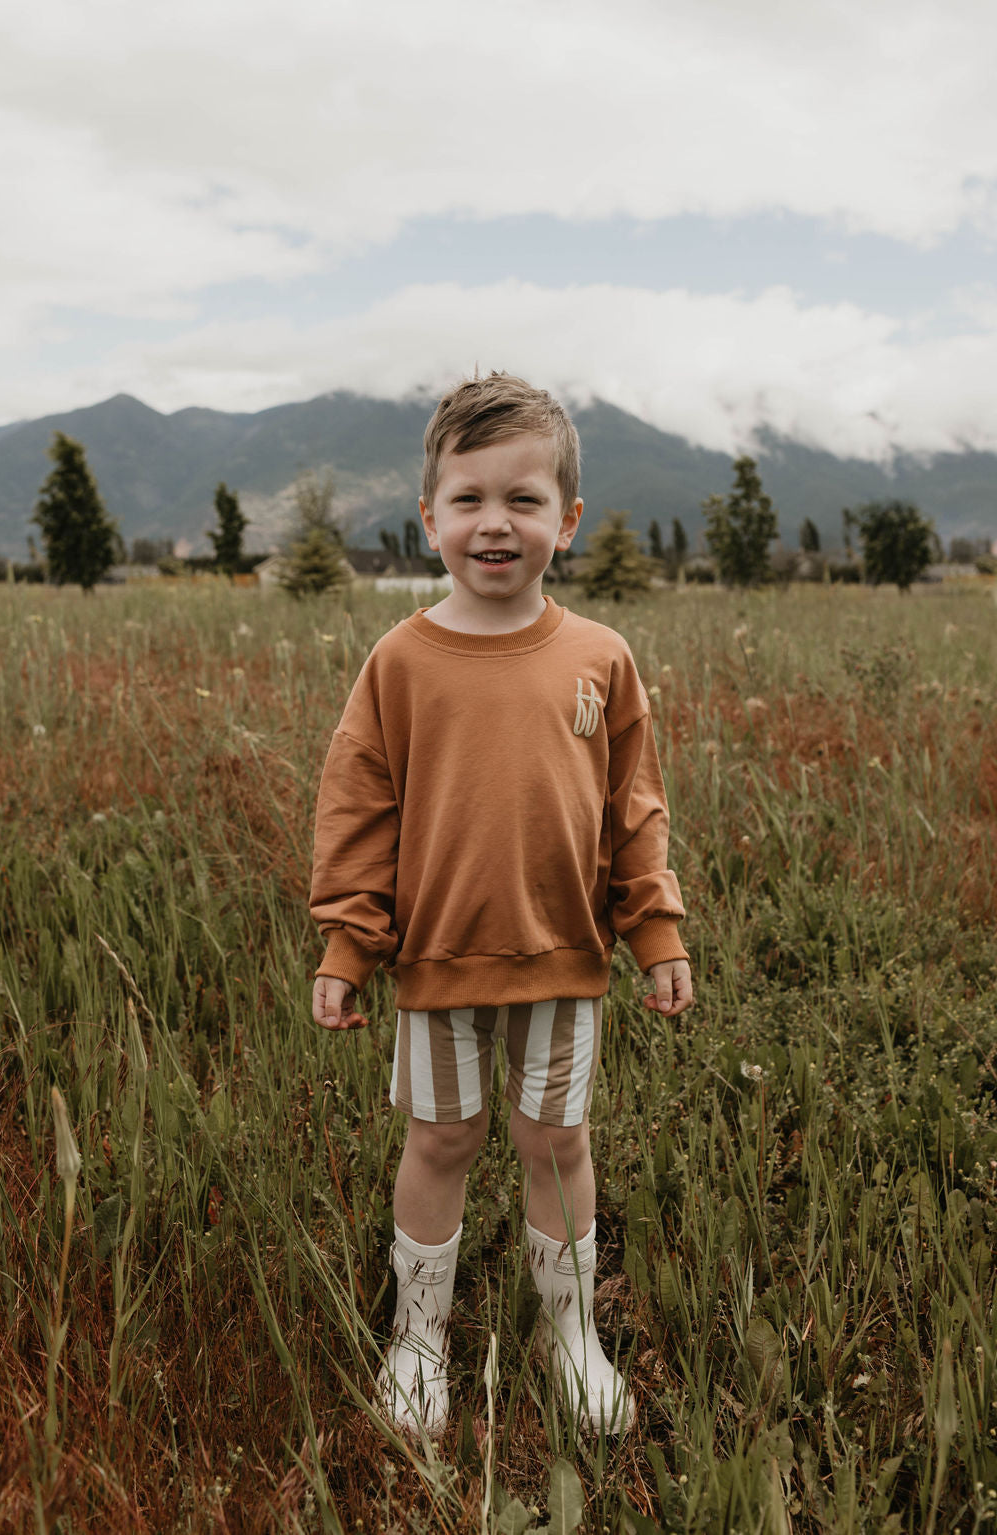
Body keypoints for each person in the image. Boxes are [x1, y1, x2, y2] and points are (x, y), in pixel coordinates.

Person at [309, 372, 692, 1441]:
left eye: (523, 499)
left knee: (553, 1139)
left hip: (567, 955)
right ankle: (417, 1338)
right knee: (441, 1137)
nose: (494, 522)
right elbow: (359, 807)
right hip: (434, 958)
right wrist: (348, 943)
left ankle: (569, 1333)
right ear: (428, 516)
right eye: (468, 497)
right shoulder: (401, 660)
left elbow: (634, 806)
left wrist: (652, 927)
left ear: (565, 522)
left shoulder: (600, 656)